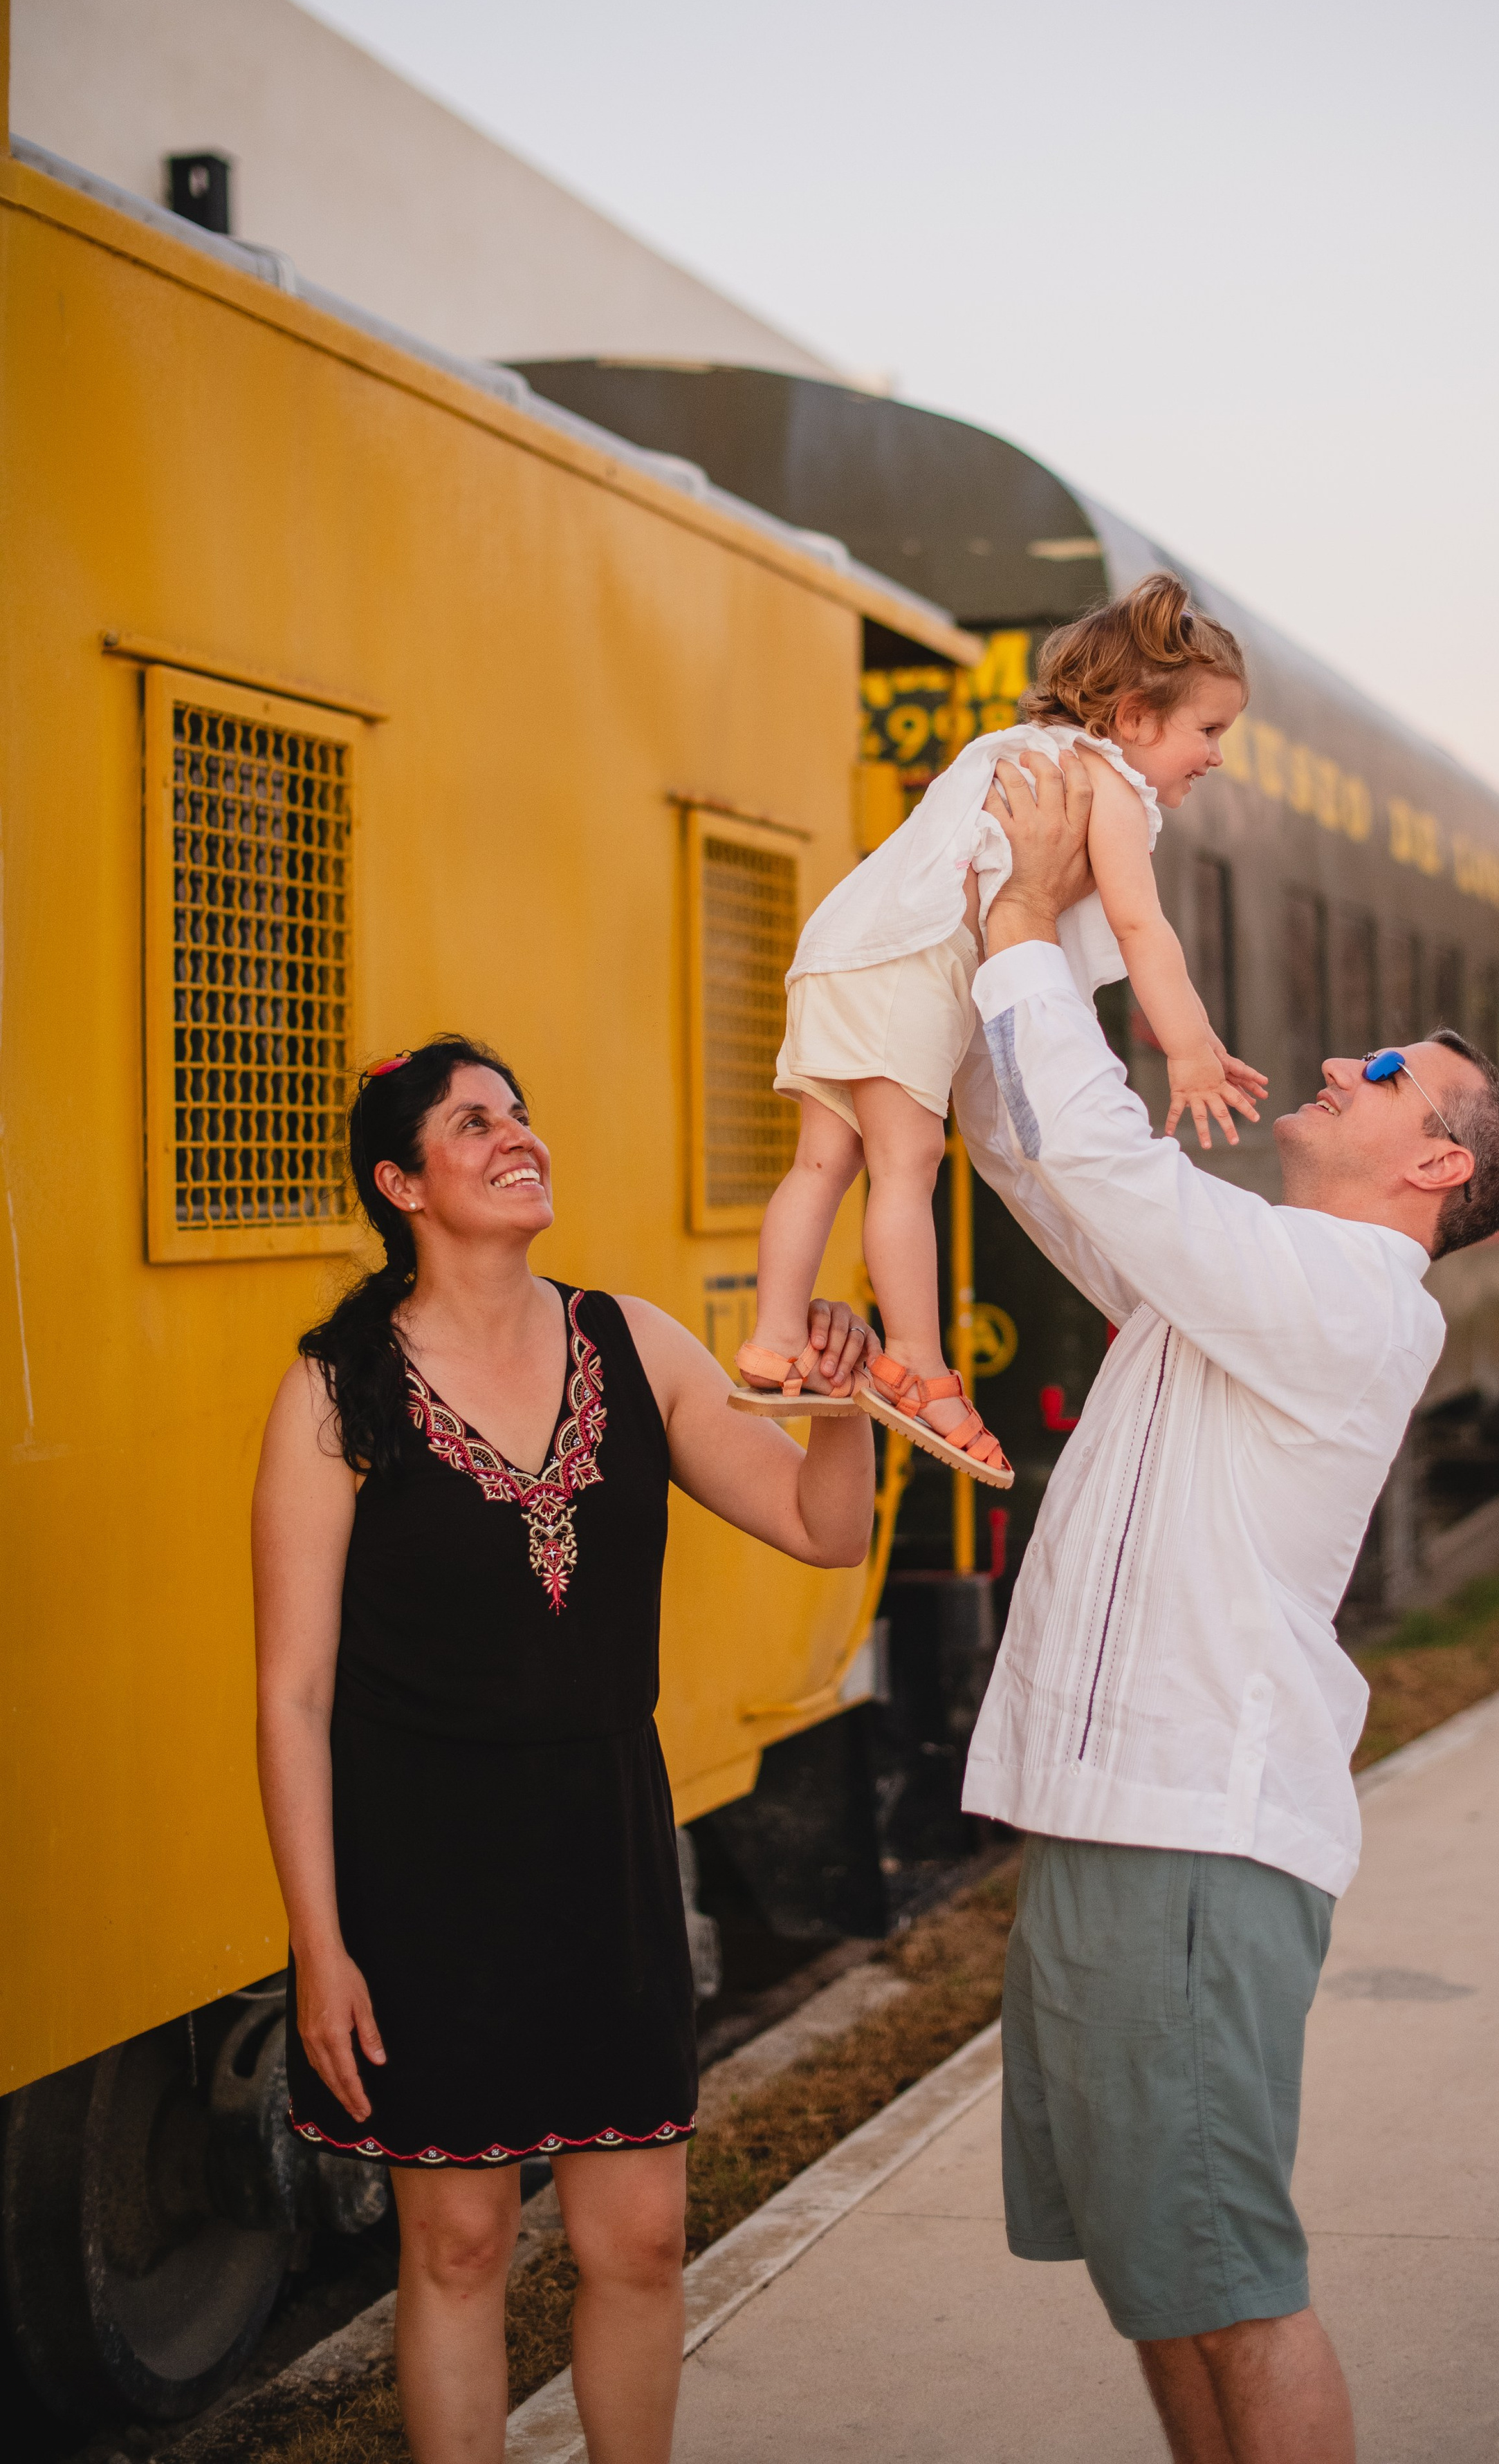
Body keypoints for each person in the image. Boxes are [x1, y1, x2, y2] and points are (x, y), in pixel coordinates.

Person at [953, 754, 1499, 2464]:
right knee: (1158, 2273)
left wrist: (1015, 928)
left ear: (1431, 1164)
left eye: (1384, 1074)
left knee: (1229, 2271)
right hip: (1112, 1824)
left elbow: (1118, 1173)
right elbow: (1031, 1150)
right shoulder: (1244, 1284)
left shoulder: (1352, 1295)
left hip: (1194, 1838)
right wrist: (1041, 924)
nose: (1342, 1063)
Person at [252, 1036, 876, 2464]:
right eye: (474, 1123)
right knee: (463, 2242)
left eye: (520, 1112)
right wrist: (317, 1940)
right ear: (402, 1180)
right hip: (422, 1865)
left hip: (603, 1838)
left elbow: (821, 1526)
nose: (515, 1134)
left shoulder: (636, 1344)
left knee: (640, 2239)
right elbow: (291, 1693)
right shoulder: (333, 1390)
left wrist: (846, 1406)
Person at [732, 575, 1267, 1487]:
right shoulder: (1106, 785)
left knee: (823, 1164)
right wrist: (1186, 1047)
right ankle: (916, 1368)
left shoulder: (1013, 749)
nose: (1216, 754)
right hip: (907, 968)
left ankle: (775, 1340)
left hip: (838, 946)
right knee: (907, 1169)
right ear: (1134, 716)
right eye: (1208, 730)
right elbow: (1142, 927)